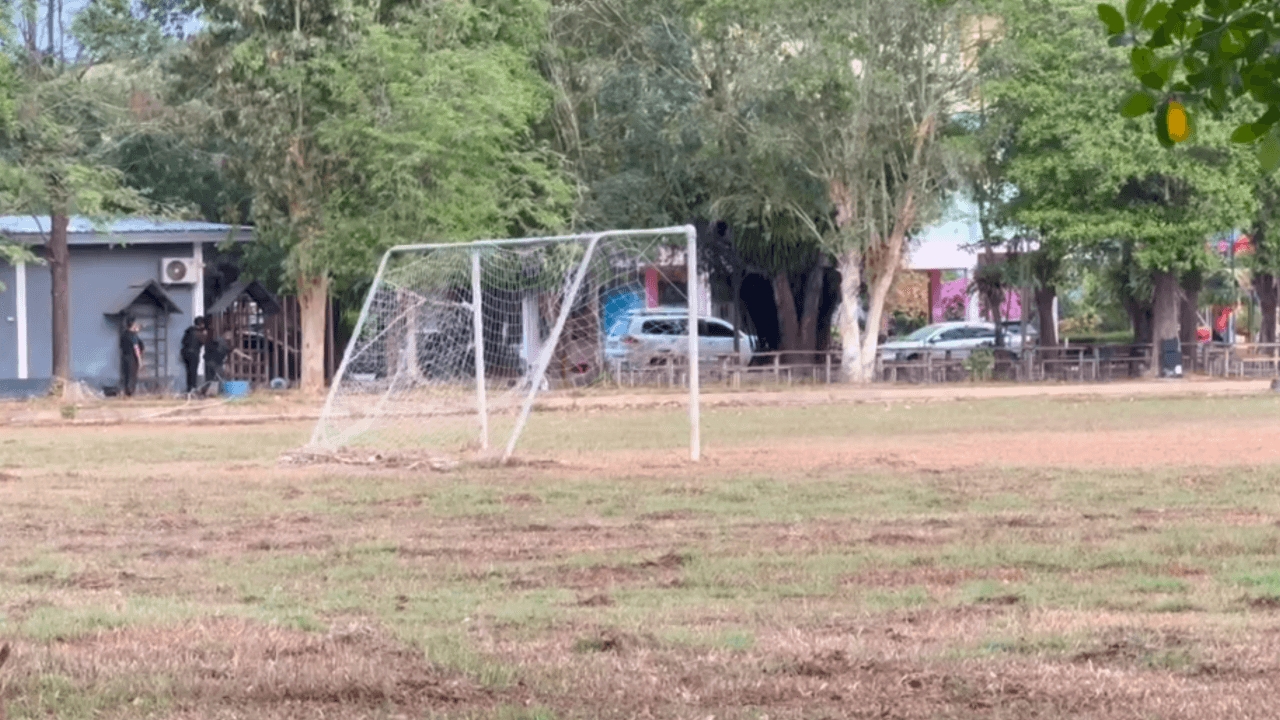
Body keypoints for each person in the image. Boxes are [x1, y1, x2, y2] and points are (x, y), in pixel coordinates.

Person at [180, 316, 208, 394]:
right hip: (194, 353)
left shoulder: (189, 330)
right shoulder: (199, 332)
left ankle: (189, 388)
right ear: (201, 324)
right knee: (193, 371)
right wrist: (205, 335)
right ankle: (193, 388)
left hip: (185, 352)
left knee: (188, 371)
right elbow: (203, 342)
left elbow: (183, 341)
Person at [118, 316, 144, 397]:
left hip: (124, 357)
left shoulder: (124, 335)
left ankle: (126, 392)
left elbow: (120, 346)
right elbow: (136, 348)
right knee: (132, 376)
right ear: (133, 325)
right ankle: (130, 393)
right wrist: (140, 360)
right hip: (132, 358)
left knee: (126, 376)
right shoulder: (133, 336)